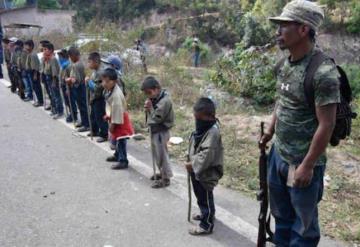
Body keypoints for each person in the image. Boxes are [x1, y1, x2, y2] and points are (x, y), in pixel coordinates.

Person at [260, 1, 341, 246]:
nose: (278, 32)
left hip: (302, 163)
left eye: (284, 26)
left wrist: (307, 165)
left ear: (303, 29)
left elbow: (327, 124)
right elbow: (282, 101)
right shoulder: (286, 64)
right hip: (279, 156)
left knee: (303, 228)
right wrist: (271, 131)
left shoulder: (323, 73)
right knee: (281, 217)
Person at [185, 97, 223, 236]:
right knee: (201, 196)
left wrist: (192, 164)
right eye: (196, 118)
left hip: (206, 172)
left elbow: (206, 154)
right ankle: (206, 214)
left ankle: (206, 224)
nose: (197, 121)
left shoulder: (213, 133)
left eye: (199, 118)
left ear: (208, 117)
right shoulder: (203, 129)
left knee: (205, 196)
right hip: (198, 171)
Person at [141, 76, 174, 188]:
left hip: (161, 130)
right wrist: (148, 108)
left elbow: (157, 118)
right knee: (157, 154)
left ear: (156, 89)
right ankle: (162, 172)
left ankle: (166, 179)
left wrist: (150, 108)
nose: (148, 96)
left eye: (149, 92)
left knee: (162, 155)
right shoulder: (155, 98)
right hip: (155, 130)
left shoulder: (165, 101)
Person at [103, 68, 134, 170]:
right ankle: (117, 155)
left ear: (114, 81)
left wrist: (112, 126)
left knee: (120, 141)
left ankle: (123, 160)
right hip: (116, 117)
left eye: (107, 82)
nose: (104, 84)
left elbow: (117, 113)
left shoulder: (116, 95)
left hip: (120, 121)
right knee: (117, 139)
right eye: (103, 81)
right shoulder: (111, 89)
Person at [85, 52, 108, 143]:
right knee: (93, 115)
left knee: (100, 116)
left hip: (99, 98)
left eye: (90, 62)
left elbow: (99, 88)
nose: (88, 64)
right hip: (94, 97)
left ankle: (104, 134)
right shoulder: (94, 71)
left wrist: (89, 82)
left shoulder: (101, 72)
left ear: (96, 62)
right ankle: (94, 130)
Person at [66, 46, 90, 132]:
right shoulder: (77, 63)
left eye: (70, 56)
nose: (70, 58)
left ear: (73, 55)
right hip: (79, 87)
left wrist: (69, 80)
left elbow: (76, 79)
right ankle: (84, 122)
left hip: (79, 88)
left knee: (83, 106)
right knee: (81, 106)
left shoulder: (77, 65)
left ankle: (86, 124)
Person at [43, 42, 64, 119]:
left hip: (53, 79)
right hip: (48, 77)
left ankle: (60, 111)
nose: (44, 51)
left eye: (46, 49)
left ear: (51, 50)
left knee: (56, 96)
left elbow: (55, 72)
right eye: (44, 49)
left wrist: (54, 81)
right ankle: (55, 110)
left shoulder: (53, 59)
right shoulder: (47, 58)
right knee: (53, 95)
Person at [58, 49, 78, 124]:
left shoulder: (69, 65)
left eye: (61, 56)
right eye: (59, 56)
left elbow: (70, 77)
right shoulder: (62, 65)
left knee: (70, 101)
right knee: (67, 101)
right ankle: (71, 113)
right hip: (63, 85)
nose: (60, 58)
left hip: (68, 86)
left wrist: (68, 88)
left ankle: (74, 115)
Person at [24, 39, 43, 107]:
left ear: (31, 46)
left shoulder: (33, 55)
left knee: (37, 87)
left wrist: (35, 75)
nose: (25, 47)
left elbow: (35, 67)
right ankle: (39, 100)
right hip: (31, 72)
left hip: (34, 73)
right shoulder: (29, 54)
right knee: (35, 87)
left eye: (27, 46)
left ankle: (40, 101)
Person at [39, 40, 52, 111]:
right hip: (43, 74)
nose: (40, 47)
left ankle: (52, 104)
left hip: (47, 75)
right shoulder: (43, 55)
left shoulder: (48, 57)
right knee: (46, 90)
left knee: (49, 91)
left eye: (41, 45)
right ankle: (50, 104)